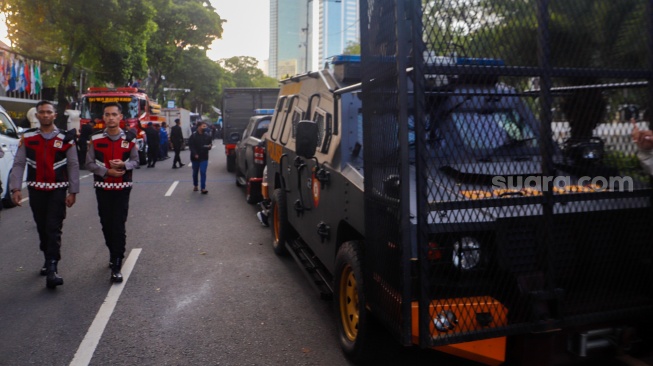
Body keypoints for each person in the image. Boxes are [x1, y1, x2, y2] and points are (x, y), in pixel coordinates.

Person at [8, 100, 79, 289]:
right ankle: (48, 258)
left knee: (53, 227)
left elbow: (73, 165)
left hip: (58, 189)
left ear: (55, 115)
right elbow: (19, 163)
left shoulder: (66, 138)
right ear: (37, 115)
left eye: (49, 112)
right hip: (36, 189)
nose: (45, 115)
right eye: (42, 112)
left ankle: (53, 268)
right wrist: (15, 189)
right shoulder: (28, 137)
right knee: (41, 227)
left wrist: (73, 190)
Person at [86, 102, 139, 283]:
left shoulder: (130, 139)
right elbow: (89, 164)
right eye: (107, 114)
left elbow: (136, 161)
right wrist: (106, 172)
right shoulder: (95, 139)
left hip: (123, 188)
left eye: (114, 114)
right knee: (106, 224)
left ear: (120, 117)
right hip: (102, 188)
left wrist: (124, 165)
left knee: (118, 224)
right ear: (103, 118)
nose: (110, 118)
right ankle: (112, 251)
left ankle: (117, 262)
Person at [188, 121, 212, 194]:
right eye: (203, 126)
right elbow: (191, 146)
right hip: (195, 157)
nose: (205, 127)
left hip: (204, 157)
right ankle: (195, 185)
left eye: (205, 126)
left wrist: (209, 147)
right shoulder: (193, 136)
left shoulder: (207, 135)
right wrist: (195, 154)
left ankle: (203, 188)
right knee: (195, 172)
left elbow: (209, 144)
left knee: (203, 171)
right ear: (198, 127)